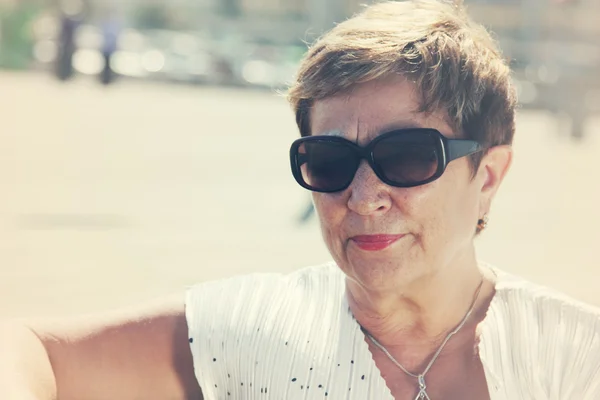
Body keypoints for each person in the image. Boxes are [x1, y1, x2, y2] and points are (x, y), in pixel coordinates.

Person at [2, 1, 600, 399]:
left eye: (408, 158)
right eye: (331, 162)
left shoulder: (574, 356)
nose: (364, 197)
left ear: (489, 175)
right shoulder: (256, 328)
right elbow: (30, 348)